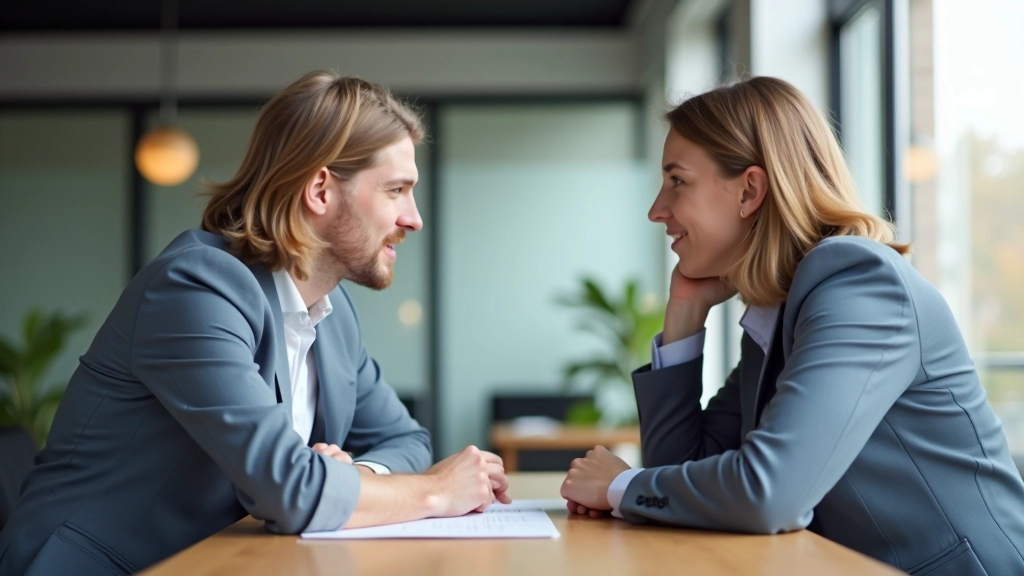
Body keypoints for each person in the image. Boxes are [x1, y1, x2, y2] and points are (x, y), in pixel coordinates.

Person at [0, 71, 509, 576]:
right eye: (396, 189)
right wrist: (436, 490)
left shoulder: (333, 316)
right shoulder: (195, 289)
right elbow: (291, 491)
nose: (414, 218)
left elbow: (408, 440)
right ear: (320, 190)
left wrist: (354, 477)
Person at [559, 76, 1024, 575]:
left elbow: (769, 494)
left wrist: (619, 486)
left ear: (750, 190)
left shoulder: (860, 287)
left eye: (677, 181)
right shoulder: (784, 312)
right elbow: (681, 466)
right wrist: (684, 315)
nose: (657, 210)